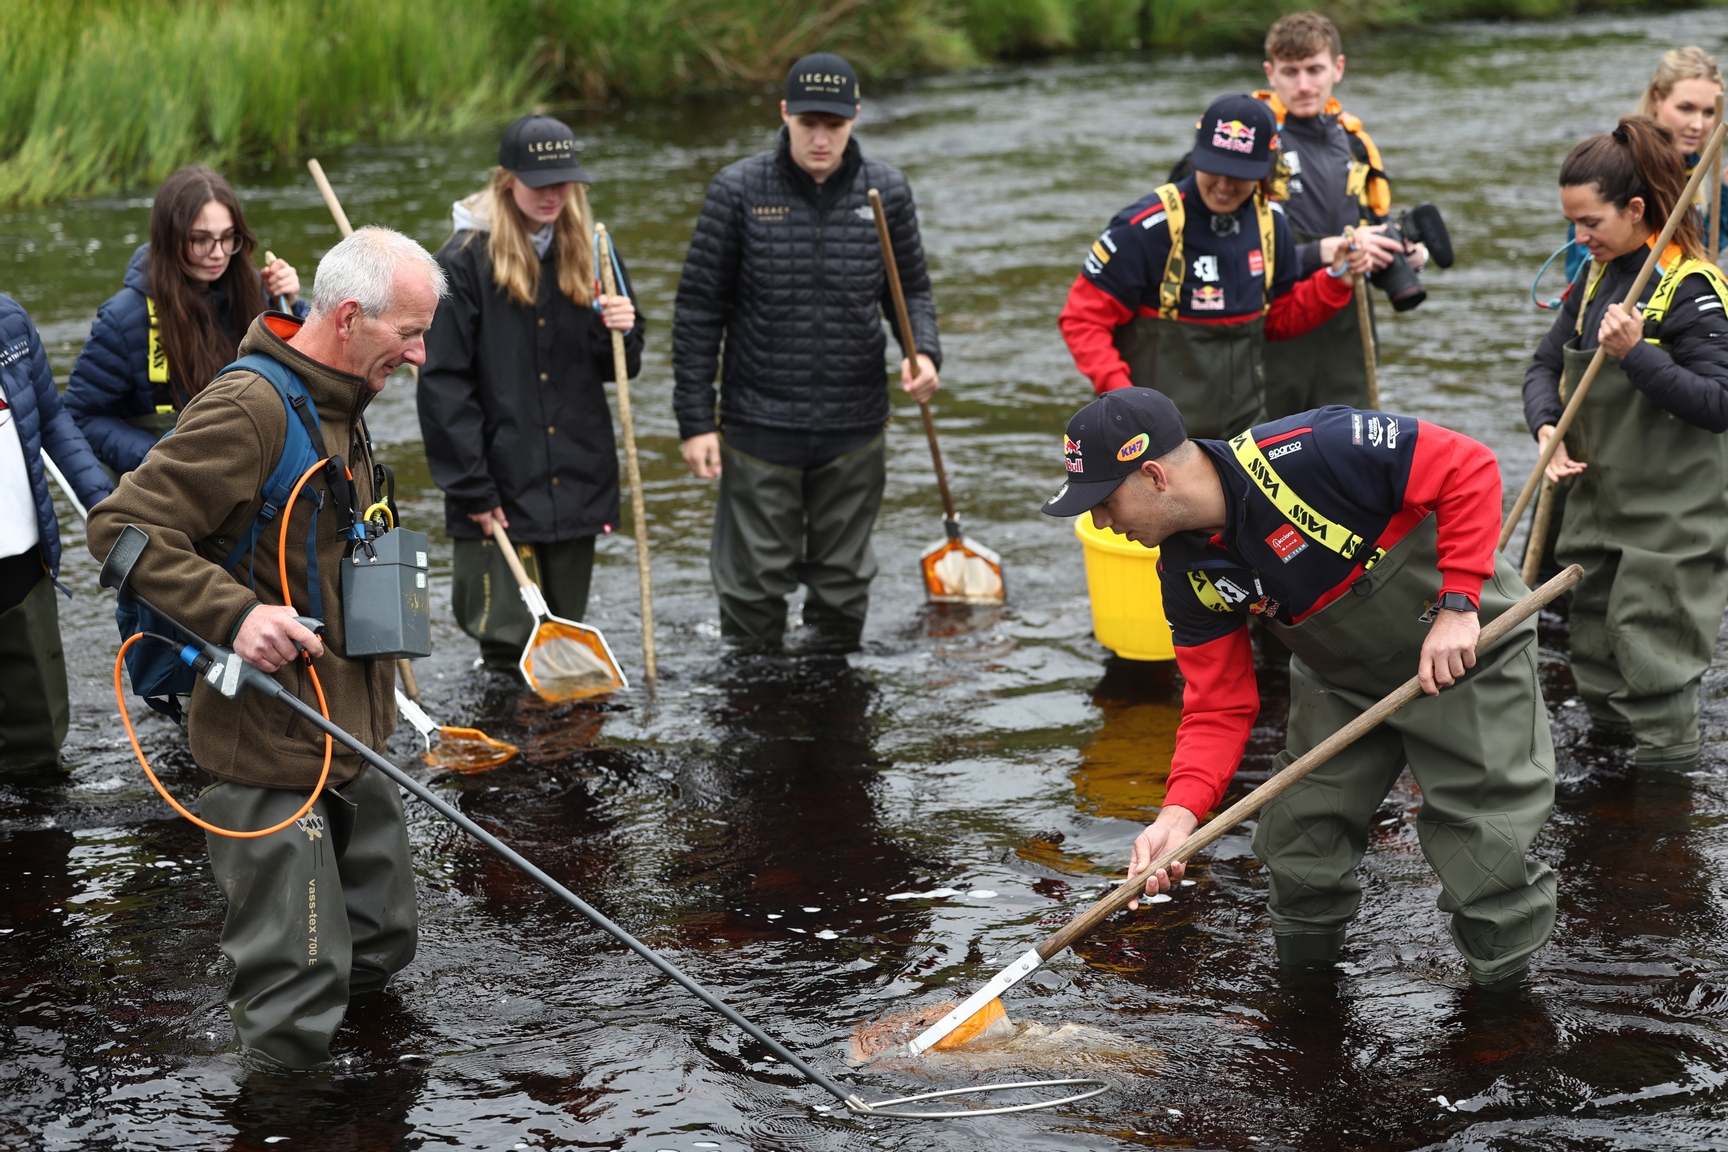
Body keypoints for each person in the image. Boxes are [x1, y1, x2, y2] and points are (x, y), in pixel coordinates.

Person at [1042, 388, 1557, 991]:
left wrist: (1459, 604)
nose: (1101, 522)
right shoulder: (1185, 577)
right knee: (1299, 841)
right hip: (1341, 682)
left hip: (1465, 650)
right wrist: (1177, 817)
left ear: (1153, 476)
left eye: (1104, 501)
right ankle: (1308, 1005)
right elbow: (1217, 706)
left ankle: (1503, 1019)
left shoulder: (1314, 448)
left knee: (1483, 855)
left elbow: (1468, 465)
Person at [87, 227, 446, 1068]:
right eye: (410, 334)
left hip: (356, 735)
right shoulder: (249, 407)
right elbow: (118, 530)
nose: (422, 356)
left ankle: (363, 1105)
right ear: (352, 317)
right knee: (295, 995)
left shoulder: (346, 399)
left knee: (381, 945)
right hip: (266, 740)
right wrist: (234, 615)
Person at [672, 52, 940, 650]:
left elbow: (911, 290)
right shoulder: (737, 190)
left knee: (844, 585)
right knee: (751, 588)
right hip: (758, 424)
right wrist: (695, 421)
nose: (821, 139)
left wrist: (924, 354)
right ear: (786, 112)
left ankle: (832, 693)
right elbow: (698, 310)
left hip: (856, 424)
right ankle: (754, 697)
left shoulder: (886, 191)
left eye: (835, 126)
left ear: (855, 119)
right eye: (810, 123)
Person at [1524, 116, 1728, 767]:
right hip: (1597, 513)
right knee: (1597, 663)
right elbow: (1540, 368)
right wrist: (1546, 428)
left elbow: (1719, 405)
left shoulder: (1691, 290)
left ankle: (1665, 827)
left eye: (1591, 223)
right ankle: (1615, 810)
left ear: (1636, 209)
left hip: (1671, 524)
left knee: (1655, 670)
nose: (1579, 239)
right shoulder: (1590, 279)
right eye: (1574, 223)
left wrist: (1637, 355)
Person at [419, 115, 643, 673]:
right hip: (497, 484)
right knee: (505, 644)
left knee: (567, 635)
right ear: (506, 179)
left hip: (576, 476)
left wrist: (623, 327)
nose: (552, 195)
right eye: (539, 182)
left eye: (563, 182)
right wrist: (472, 488)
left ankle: (560, 753)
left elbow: (622, 365)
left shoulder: (594, 250)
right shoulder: (463, 261)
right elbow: (443, 383)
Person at [1058, 94, 1372, 441]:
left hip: (1244, 434)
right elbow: (1082, 320)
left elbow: (1279, 320)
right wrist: (1123, 401)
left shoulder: (1272, 225)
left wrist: (1336, 280)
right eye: (1214, 168)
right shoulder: (1144, 228)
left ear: (1264, 169)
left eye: (1239, 174)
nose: (1224, 185)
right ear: (1196, 155)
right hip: (1150, 435)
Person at [64, 165, 304, 478]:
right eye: (200, 240)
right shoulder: (124, 319)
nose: (218, 254)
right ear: (170, 238)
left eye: (228, 238)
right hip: (169, 487)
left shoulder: (259, 293)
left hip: (252, 479)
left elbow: (313, 369)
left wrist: (293, 306)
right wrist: (158, 458)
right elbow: (81, 418)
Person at [1252, 11, 1416, 417]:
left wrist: (1403, 256)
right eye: (1291, 71)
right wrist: (1323, 252)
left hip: (1348, 334)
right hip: (1276, 331)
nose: (1304, 85)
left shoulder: (1356, 144)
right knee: (1268, 457)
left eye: (1314, 69)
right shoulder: (1250, 144)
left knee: (1351, 455)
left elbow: (1372, 225)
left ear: (1337, 68)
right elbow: (1234, 252)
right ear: (1270, 74)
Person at [0, 295, 112, 771]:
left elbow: (52, 421)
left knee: (38, 735)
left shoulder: (10, 323)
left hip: (22, 556)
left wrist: (107, 509)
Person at [1558, 47, 1727, 285]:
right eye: (1686, 108)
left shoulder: (1690, 168)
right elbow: (1584, 267)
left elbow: (1695, 252)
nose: (1698, 125)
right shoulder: (1616, 168)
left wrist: (1726, 196)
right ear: (1657, 99)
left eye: (1709, 112)